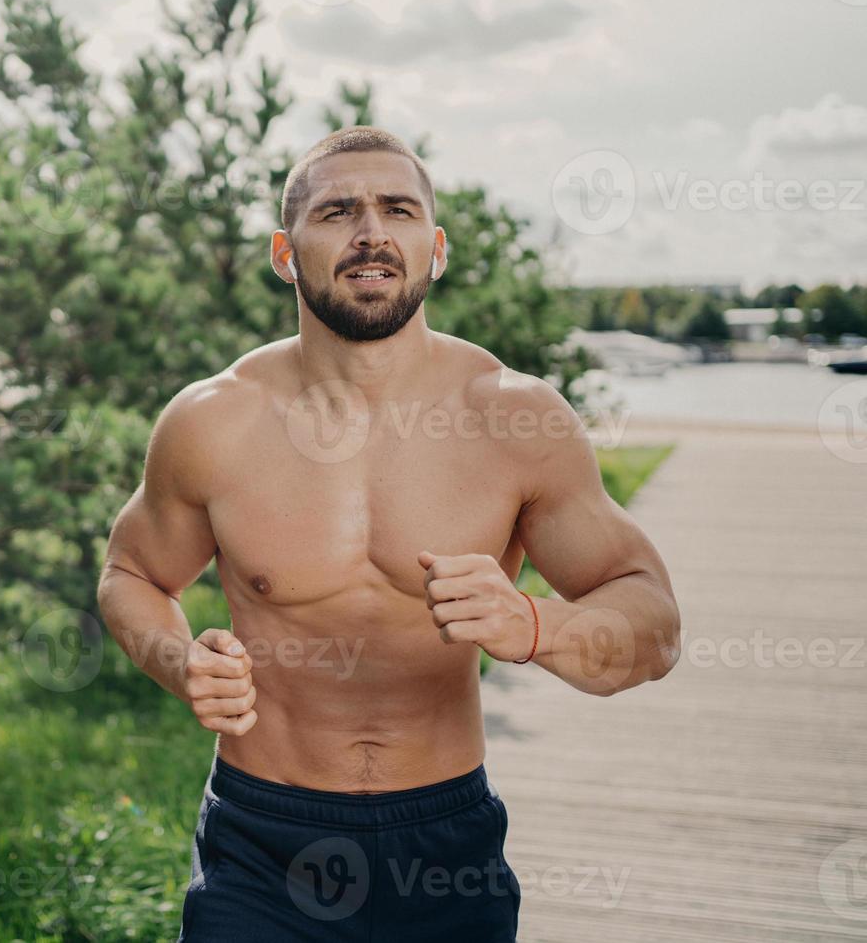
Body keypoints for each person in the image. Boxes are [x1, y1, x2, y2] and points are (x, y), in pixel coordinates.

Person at [95, 126, 682, 941]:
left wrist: (536, 623)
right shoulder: (213, 421)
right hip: (261, 846)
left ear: (433, 248)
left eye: (397, 209)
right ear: (283, 253)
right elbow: (131, 574)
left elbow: (652, 631)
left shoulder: (514, 417)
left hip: (445, 845)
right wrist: (179, 661)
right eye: (337, 211)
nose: (371, 231)